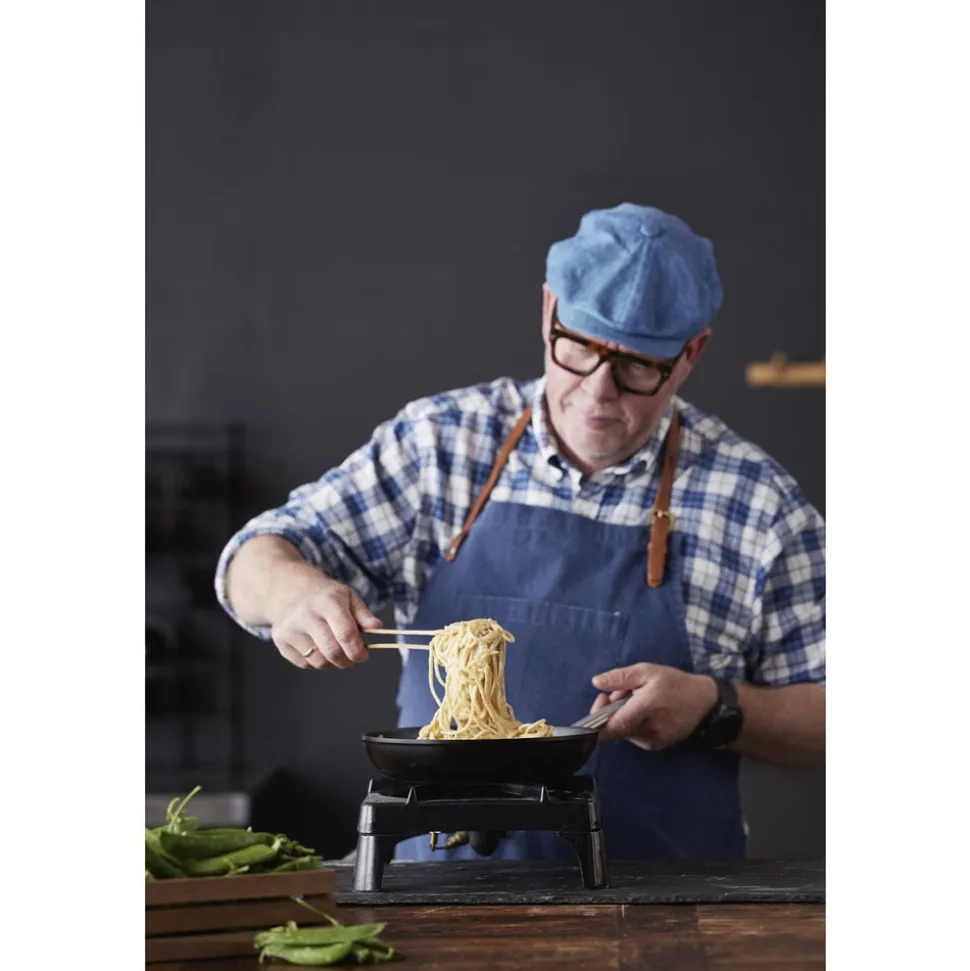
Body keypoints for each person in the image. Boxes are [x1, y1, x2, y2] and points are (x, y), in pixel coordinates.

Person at [215, 203, 825, 863]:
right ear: (548, 311)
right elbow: (252, 559)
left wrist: (713, 705)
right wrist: (292, 592)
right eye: (579, 347)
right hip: (433, 894)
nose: (599, 390)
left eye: (637, 366)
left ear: (690, 355)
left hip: (663, 902)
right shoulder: (440, 445)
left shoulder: (756, 502)